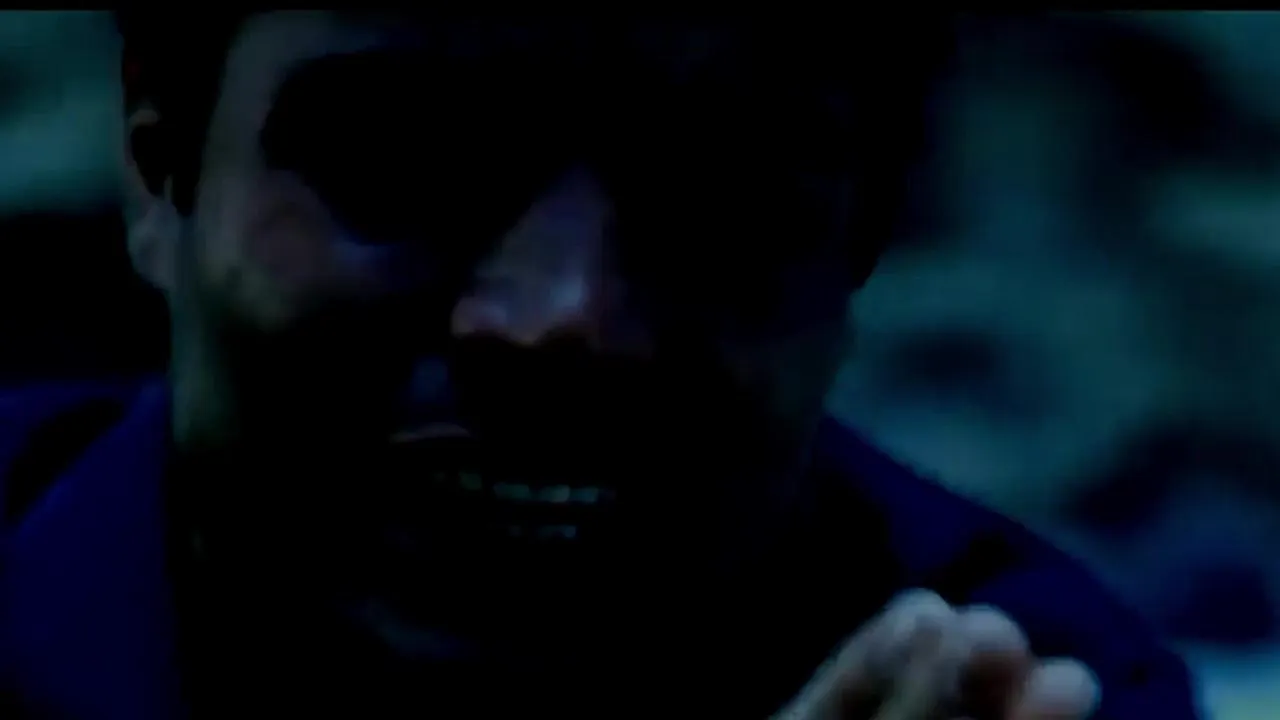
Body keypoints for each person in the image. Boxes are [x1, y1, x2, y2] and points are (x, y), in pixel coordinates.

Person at [0, 11, 1200, 719]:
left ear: (863, 238)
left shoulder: (1031, 685)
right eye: (403, 157)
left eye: (722, 189)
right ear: (161, 168)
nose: (560, 323)